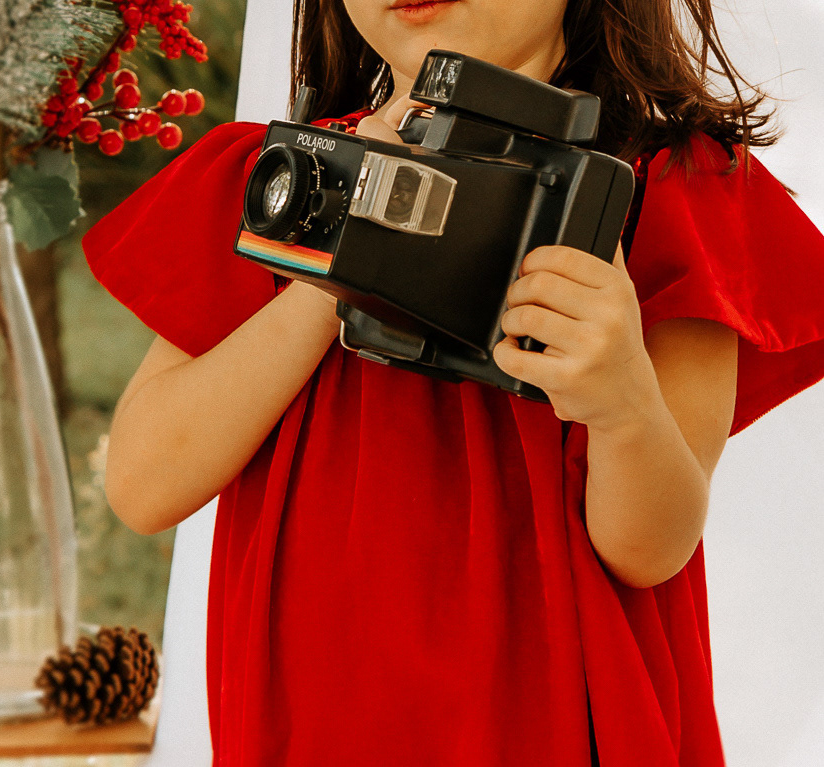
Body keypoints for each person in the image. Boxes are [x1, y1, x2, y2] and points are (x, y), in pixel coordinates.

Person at [82, 0, 824, 763]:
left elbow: (650, 550)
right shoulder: (280, 180)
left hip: (551, 730)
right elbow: (143, 484)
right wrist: (339, 256)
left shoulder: (673, 193)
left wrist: (623, 402)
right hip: (314, 726)